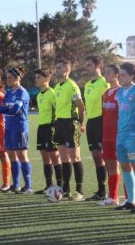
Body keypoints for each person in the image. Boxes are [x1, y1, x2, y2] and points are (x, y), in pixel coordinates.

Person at [114, 62, 135, 212]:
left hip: (134, 136)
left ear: (132, 76)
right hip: (121, 135)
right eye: (119, 75)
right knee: (124, 166)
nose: (119, 78)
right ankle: (131, 200)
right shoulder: (119, 92)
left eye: (123, 75)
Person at [53, 59, 85, 201]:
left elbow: (81, 106)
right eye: (56, 67)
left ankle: (79, 191)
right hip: (59, 123)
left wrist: (79, 123)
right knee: (63, 158)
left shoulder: (72, 86)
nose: (56, 70)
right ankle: (66, 189)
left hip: (71, 124)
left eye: (59, 67)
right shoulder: (57, 86)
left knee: (75, 157)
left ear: (67, 70)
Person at [0, 67, 32, 194]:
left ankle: (28, 186)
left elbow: (14, 110)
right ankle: (16, 185)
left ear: (18, 78)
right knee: (11, 155)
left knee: (22, 155)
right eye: (7, 77)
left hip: (19, 127)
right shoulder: (8, 93)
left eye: (10, 77)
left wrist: (6, 109)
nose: (8, 80)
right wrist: (7, 109)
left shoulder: (22, 92)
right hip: (9, 127)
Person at [83, 55, 110, 201]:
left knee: (107, 157)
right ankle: (101, 190)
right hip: (91, 123)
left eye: (89, 65)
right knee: (96, 157)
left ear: (97, 66)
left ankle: (110, 192)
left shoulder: (104, 83)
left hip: (102, 122)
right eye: (86, 65)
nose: (86, 68)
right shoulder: (87, 85)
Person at [97, 64, 123, 206]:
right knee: (111, 166)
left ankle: (129, 198)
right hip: (106, 136)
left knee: (125, 167)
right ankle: (113, 197)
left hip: (119, 136)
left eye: (108, 72)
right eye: (105, 72)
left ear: (117, 75)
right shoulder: (106, 93)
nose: (105, 74)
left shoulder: (121, 92)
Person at [33, 69, 62, 194]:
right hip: (41, 128)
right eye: (36, 77)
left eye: (38, 77)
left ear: (46, 80)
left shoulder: (53, 93)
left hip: (51, 127)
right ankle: (49, 186)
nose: (36, 79)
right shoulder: (39, 95)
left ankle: (60, 186)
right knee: (45, 158)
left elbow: (58, 111)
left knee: (55, 157)